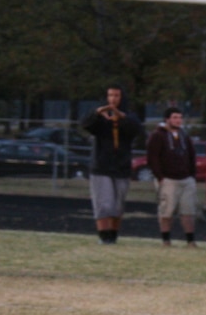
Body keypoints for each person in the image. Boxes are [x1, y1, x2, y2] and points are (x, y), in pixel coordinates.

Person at [80, 86, 143, 244]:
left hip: (121, 166)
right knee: (105, 204)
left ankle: (113, 235)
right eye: (110, 95)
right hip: (102, 166)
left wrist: (120, 116)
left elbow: (137, 129)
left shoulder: (129, 117)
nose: (113, 99)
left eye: (116, 95)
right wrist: (98, 112)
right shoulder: (100, 118)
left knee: (117, 206)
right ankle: (104, 236)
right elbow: (85, 124)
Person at [147, 107, 199, 245]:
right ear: (167, 119)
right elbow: (152, 157)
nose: (178, 120)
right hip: (168, 179)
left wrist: (192, 175)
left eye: (180, 117)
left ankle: (190, 240)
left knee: (188, 210)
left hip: (186, 179)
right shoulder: (158, 135)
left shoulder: (184, 136)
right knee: (166, 211)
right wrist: (160, 177)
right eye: (175, 117)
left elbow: (192, 156)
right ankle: (166, 240)